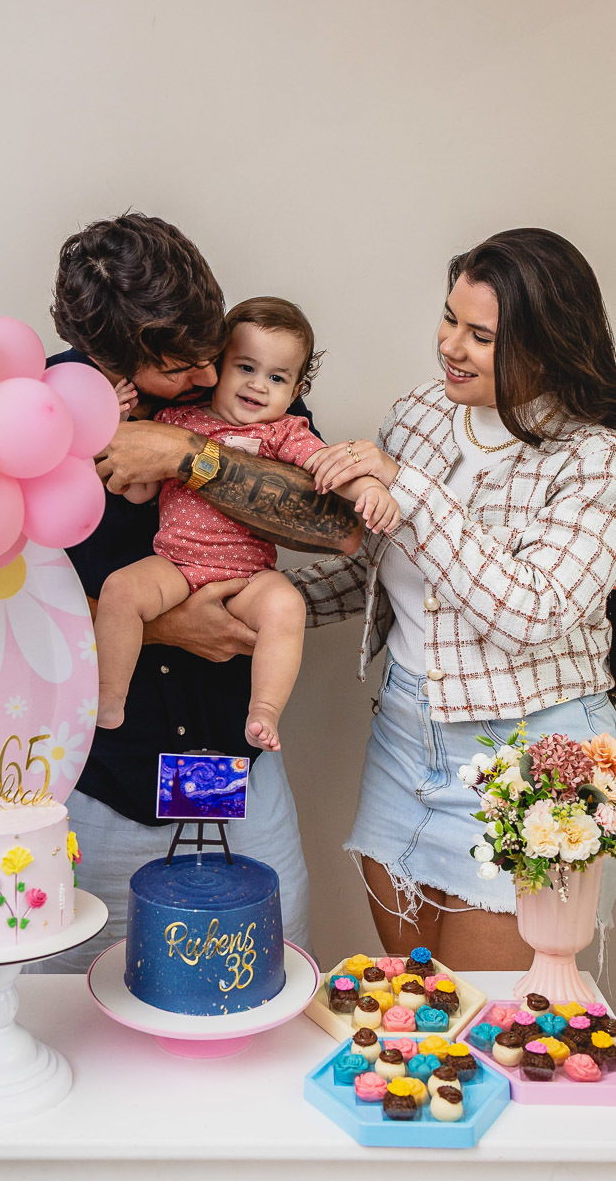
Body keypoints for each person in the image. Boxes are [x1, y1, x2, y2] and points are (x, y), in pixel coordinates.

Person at [27, 213, 362, 971]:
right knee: (73, 1005)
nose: (210, 377)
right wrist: (163, 628)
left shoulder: (245, 385)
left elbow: (333, 525)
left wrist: (187, 452)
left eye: (210, 353)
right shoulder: (42, 414)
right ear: (109, 358)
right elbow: (8, 608)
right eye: (182, 368)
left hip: (235, 772)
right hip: (100, 780)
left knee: (268, 984)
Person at [283, 227, 616, 970]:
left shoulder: (595, 458)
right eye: (448, 318)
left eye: (480, 335)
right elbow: (384, 576)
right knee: (420, 1004)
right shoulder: (417, 417)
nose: (449, 347)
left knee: (495, 1027)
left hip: (534, 759)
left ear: (547, 344)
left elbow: (530, 613)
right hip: (405, 744)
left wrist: (407, 487)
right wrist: (265, 601)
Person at [95, 297, 399, 752]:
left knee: (286, 605)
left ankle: (264, 710)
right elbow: (138, 491)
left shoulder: (285, 433)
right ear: (217, 367)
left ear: (295, 389)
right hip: (176, 565)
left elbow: (328, 471)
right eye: (246, 368)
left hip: (247, 578)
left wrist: (371, 491)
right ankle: (107, 695)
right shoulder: (176, 421)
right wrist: (113, 424)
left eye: (276, 377)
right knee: (120, 589)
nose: (259, 386)